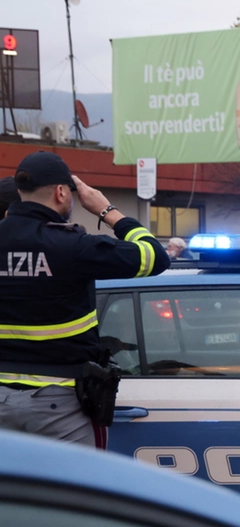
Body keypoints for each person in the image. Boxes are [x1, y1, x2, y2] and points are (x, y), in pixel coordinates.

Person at [0, 151, 169, 447]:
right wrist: (106, 210)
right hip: (60, 405)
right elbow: (155, 256)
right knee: (74, 491)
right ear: (61, 192)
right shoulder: (72, 246)